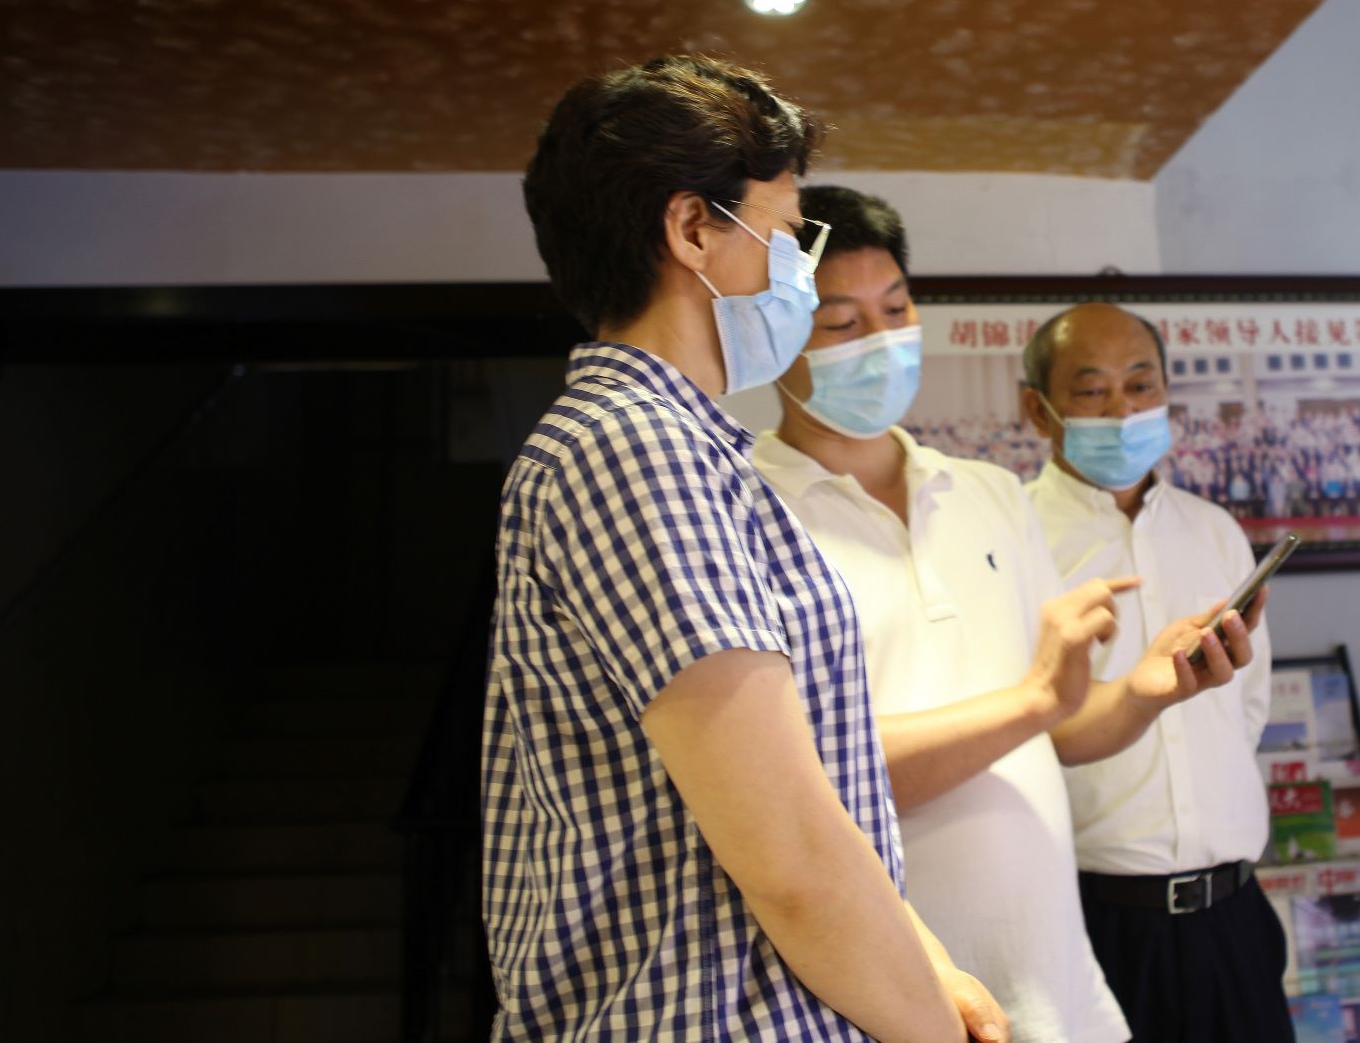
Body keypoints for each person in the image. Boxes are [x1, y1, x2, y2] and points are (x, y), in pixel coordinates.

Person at [483, 57, 1006, 1043]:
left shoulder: (692, 449)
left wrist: (924, 961)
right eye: (789, 232)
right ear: (692, 229)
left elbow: (811, 792)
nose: (798, 269)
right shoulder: (638, 448)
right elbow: (790, 855)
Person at [754, 189, 1262, 1043]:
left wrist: (1143, 693)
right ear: (772, 332)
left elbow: (1057, 728)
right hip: (893, 995)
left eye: (896, 311)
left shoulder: (988, 496)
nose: (881, 342)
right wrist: (1036, 702)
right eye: (841, 323)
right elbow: (795, 783)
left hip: (1057, 984)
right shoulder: (746, 511)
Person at [1021, 303, 1292, 1043]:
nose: (1123, 411)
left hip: (1234, 917)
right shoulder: (1012, 535)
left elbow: (1246, 710)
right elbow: (1015, 729)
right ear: (1038, 410)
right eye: (1092, 390)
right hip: (1094, 922)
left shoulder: (1214, 531)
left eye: (1141, 385)